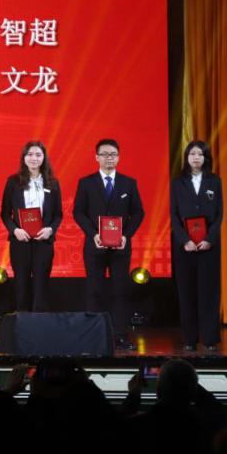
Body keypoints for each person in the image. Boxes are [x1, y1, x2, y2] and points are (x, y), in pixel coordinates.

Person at [72, 138, 145, 351]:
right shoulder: (86, 183)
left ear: (119, 157)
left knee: (120, 291)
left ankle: (120, 335)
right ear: (96, 157)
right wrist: (93, 234)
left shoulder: (128, 183)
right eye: (104, 154)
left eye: (113, 154)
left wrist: (126, 236)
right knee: (94, 291)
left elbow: (138, 212)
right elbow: (78, 212)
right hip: (95, 246)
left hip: (120, 247)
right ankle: (93, 336)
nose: (109, 158)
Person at [170, 140, 223, 351]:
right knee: (187, 293)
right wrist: (186, 240)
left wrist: (209, 239)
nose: (196, 158)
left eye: (200, 154)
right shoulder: (177, 183)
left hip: (209, 246)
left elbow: (219, 214)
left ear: (206, 158)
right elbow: (174, 215)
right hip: (185, 247)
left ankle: (210, 339)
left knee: (209, 292)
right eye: (192, 154)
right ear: (187, 157)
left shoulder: (214, 181)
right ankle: (190, 340)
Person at [0, 141, 63, 312]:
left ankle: (39, 321)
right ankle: (22, 319)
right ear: (24, 157)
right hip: (21, 241)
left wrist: (50, 229)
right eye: (30, 154)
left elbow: (58, 214)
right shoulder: (13, 182)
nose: (34, 158)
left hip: (44, 241)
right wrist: (15, 230)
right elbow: (5, 213)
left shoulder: (52, 183)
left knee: (41, 283)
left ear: (44, 158)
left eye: (38, 155)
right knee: (21, 283)